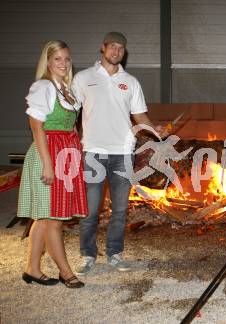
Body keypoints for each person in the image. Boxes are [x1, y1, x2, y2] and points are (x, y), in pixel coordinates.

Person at [72, 32, 165, 275]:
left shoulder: (131, 82)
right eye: (112, 47)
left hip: (123, 152)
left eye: (120, 48)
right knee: (91, 210)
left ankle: (114, 253)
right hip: (93, 151)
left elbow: (140, 115)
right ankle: (87, 255)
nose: (116, 51)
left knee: (120, 210)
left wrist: (155, 130)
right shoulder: (83, 78)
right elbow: (71, 112)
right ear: (102, 48)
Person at [17, 40, 87, 288]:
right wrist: (48, 165)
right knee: (53, 219)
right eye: (57, 59)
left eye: (67, 59)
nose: (63, 63)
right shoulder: (43, 87)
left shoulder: (65, 88)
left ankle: (32, 269)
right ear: (47, 61)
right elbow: (36, 127)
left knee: (45, 217)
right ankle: (66, 272)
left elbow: (72, 127)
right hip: (47, 153)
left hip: (66, 154)